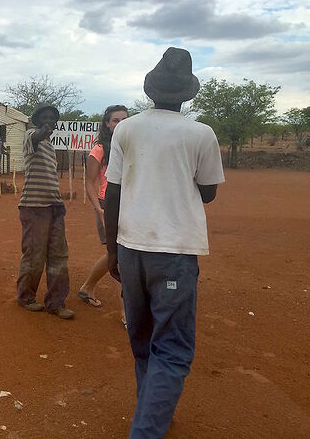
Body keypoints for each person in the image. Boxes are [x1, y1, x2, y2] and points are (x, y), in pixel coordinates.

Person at [104, 47, 224, 438]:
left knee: (141, 338)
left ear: (151, 89)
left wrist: (111, 251)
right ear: (186, 94)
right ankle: (147, 428)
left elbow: (114, 195)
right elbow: (207, 193)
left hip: (130, 247)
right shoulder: (201, 134)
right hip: (174, 252)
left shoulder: (126, 129)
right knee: (171, 349)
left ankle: (151, 410)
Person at [17, 101, 74, 320]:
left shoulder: (50, 146)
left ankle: (56, 303)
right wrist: (41, 132)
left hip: (54, 206)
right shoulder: (32, 136)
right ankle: (26, 297)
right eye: (45, 117)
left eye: (52, 118)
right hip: (34, 207)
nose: (49, 121)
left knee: (59, 256)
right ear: (36, 120)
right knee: (34, 256)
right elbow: (35, 137)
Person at [77, 105, 129, 328]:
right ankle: (127, 313)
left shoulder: (131, 145)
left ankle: (87, 287)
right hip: (107, 203)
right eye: (115, 120)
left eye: (124, 120)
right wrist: (98, 209)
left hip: (130, 203)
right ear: (107, 124)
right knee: (122, 256)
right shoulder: (99, 148)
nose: (120, 124)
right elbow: (88, 181)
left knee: (114, 254)